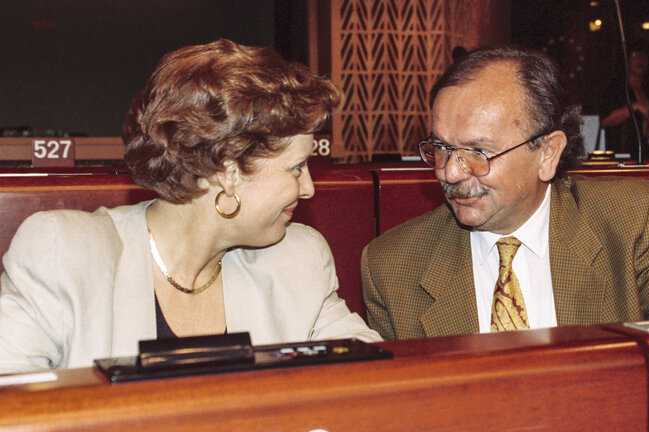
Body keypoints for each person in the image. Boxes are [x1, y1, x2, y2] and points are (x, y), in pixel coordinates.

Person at [0, 39, 381, 373]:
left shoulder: (297, 258)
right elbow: (13, 412)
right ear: (228, 172)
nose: (309, 188)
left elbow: (376, 380)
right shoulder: (63, 255)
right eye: (296, 168)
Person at [361, 45, 649, 341]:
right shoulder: (392, 266)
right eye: (441, 148)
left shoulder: (626, 221)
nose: (450, 172)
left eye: (477, 152)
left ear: (547, 154)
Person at [599, 41, 649, 158]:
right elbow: (605, 121)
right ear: (626, 60)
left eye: (644, 57)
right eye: (635, 56)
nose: (641, 60)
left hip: (646, 153)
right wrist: (634, 107)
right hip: (621, 153)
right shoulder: (616, 88)